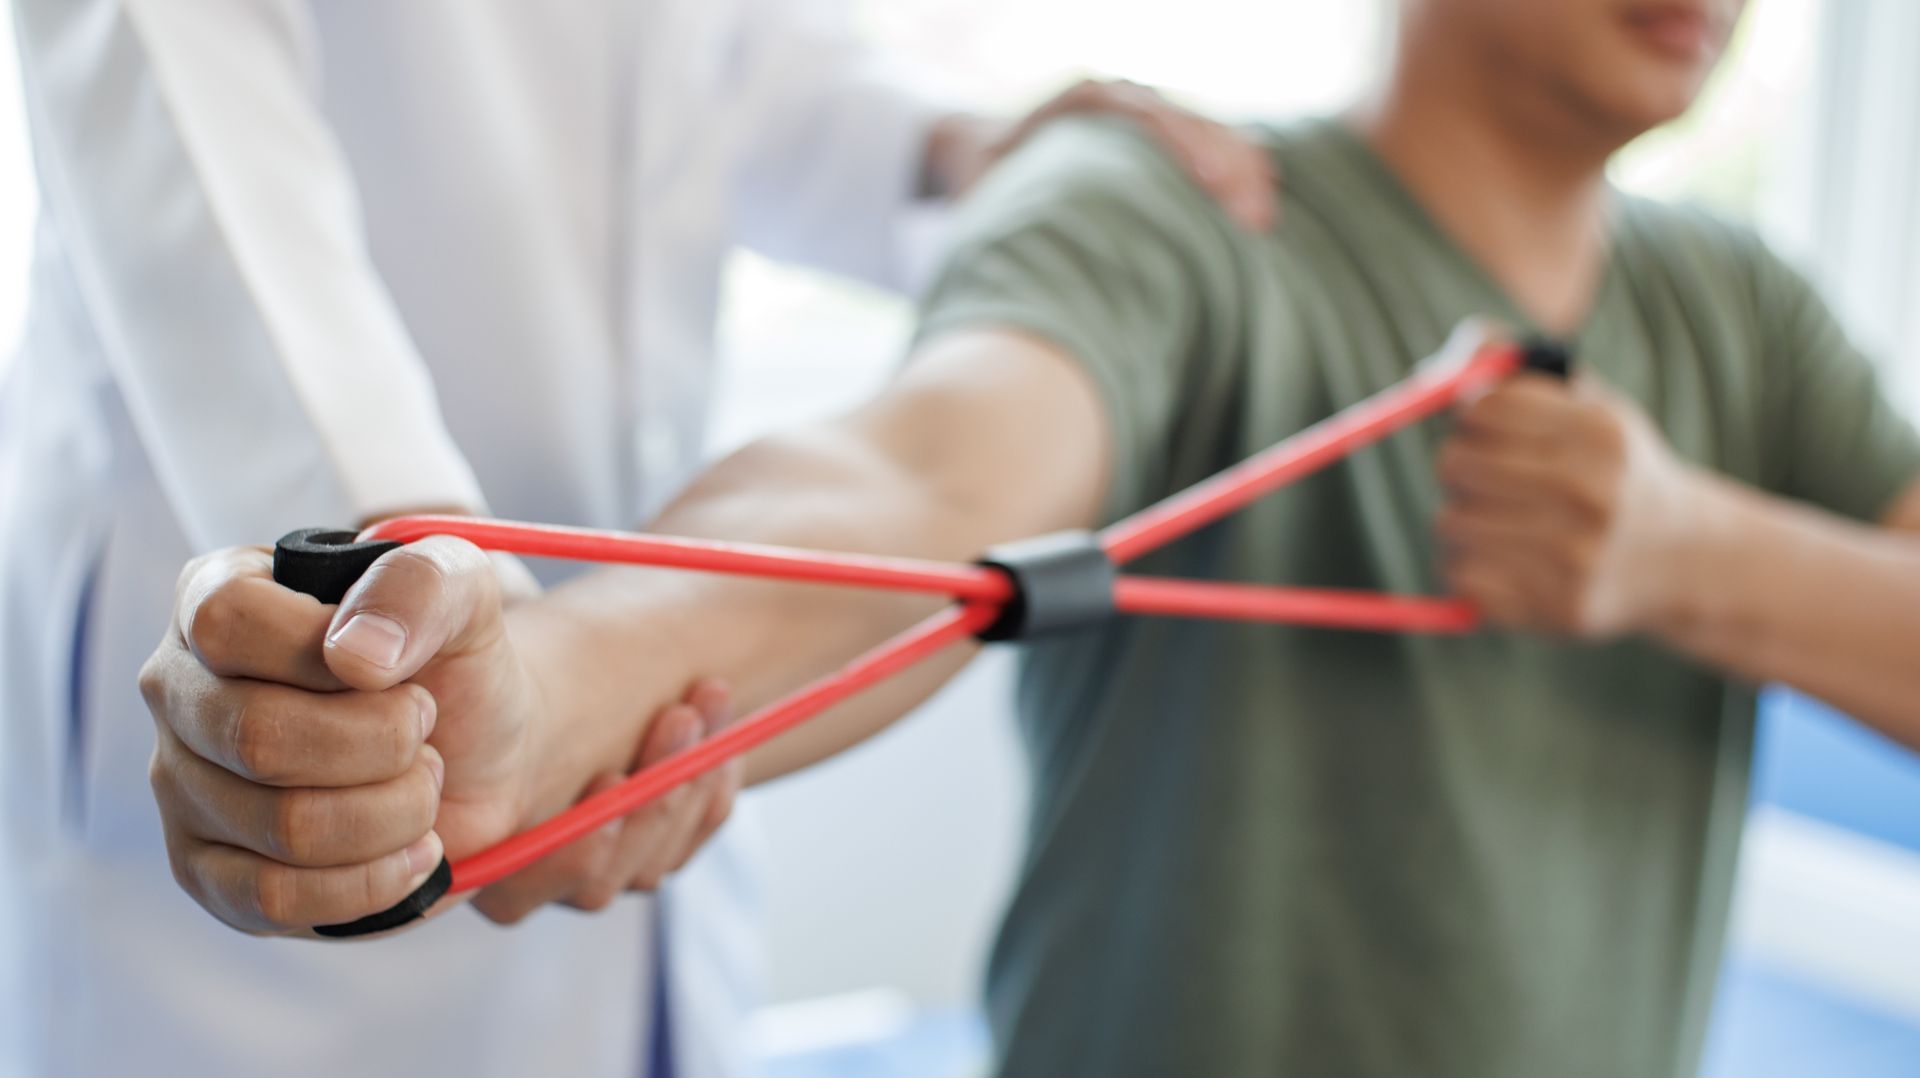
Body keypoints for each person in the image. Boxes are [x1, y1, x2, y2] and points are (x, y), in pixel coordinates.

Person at [140, 0, 1920, 1075]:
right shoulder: (1175, 212)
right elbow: (913, 485)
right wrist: (551, 691)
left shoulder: (1749, 319)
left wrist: (1695, 555)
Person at [0, 1, 1274, 1075]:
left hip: (612, 712)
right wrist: (441, 610)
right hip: (279, 759)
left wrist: (945, 144)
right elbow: (191, 161)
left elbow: (710, 58)